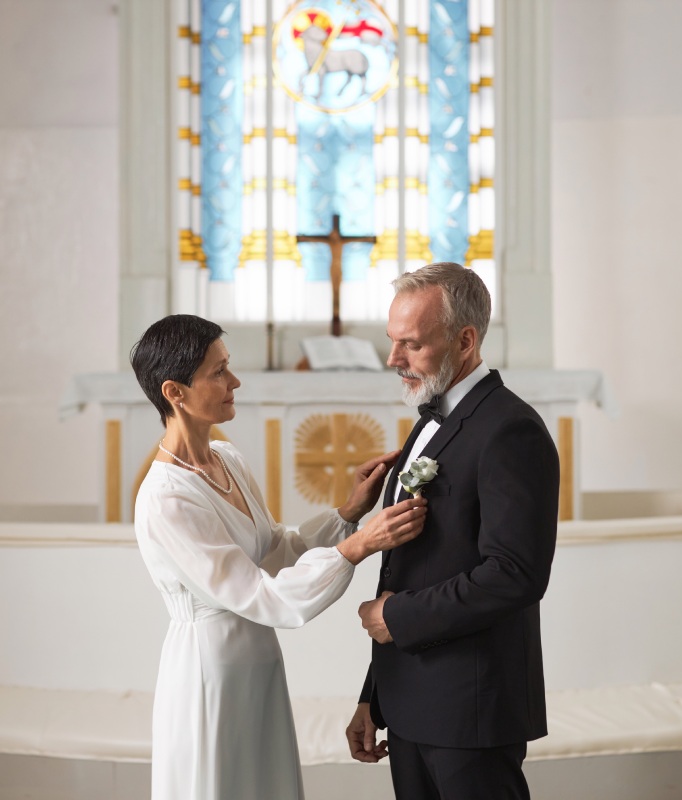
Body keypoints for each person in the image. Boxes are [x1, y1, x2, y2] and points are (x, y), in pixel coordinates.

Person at [130, 314, 427, 800]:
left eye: (229, 366)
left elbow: (273, 553)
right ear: (174, 392)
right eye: (218, 372)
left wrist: (347, 514)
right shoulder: (166, 497)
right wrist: (360, 546)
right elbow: (261, 596)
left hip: (256, 662)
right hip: (209, 672)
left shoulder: (228, 459)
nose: (234, 381)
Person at [346, 263, 560, 799]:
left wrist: (396, 616)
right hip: (412, 702)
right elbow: (408, 565)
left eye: (410, 345)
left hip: (471, 708)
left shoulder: (510, 430)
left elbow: (515, 574)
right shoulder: (430, 416)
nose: (393, 360)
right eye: (393, 343)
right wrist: (374, 695)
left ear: (465, 340)